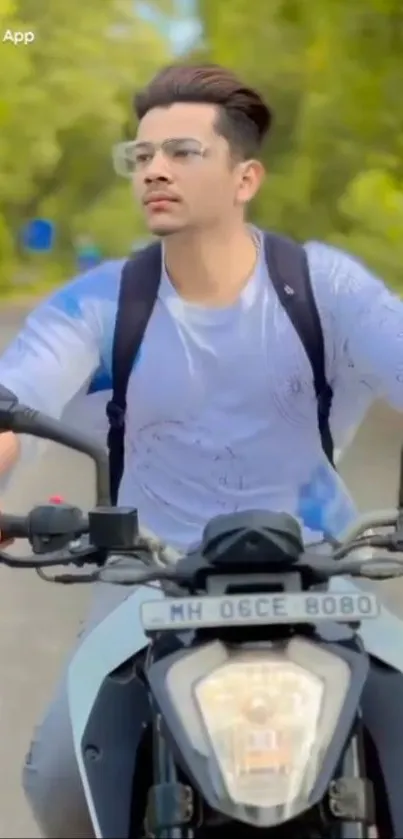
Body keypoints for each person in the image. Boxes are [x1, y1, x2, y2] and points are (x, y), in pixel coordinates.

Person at [1, 61, 403, 838]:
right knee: (60, 777)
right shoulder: (100, 302)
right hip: (148, 577)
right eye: (141, 155)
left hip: (321, 573)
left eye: (182, 152)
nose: (152, 168)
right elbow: (13, 407)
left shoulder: (323, 287)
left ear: (244, 175)